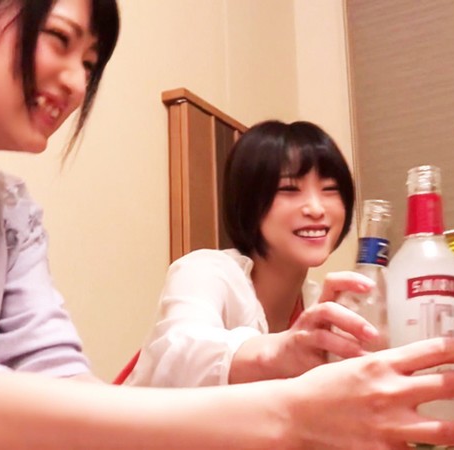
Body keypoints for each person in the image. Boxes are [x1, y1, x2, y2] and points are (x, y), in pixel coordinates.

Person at [0, 1, 454, 449]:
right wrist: (289, 411)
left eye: (90, 60)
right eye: (59, 40)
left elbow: (59, 383)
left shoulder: (9, 211)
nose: (75, 81)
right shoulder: (207, 270)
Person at [126, 120, 380, 387]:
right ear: (249, 201)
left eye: (330, 189)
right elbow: (178, 356)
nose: (316, 209)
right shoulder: (205, 271)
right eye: (289, 189)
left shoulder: (315, 303)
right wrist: (279, 352)